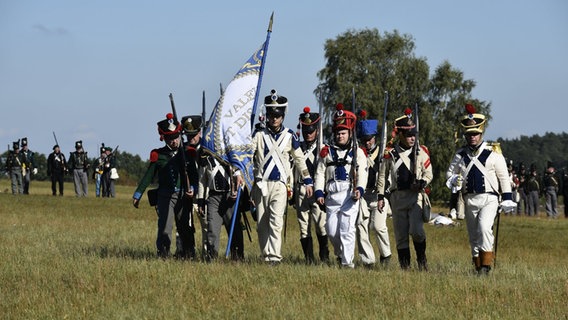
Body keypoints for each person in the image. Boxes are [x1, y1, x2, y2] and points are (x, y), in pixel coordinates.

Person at [446, 103, 515, 275]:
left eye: (475, 134)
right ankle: (477, 267)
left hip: (490, 199)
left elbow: (503, 177)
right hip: (469, 199)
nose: (472, 137)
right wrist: (454, 178)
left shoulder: (494, 154)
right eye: (469, 134)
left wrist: (507, 197)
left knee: (484, 228)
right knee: (474, 236)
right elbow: (449, 173)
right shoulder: (460, 155)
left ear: (481, 132)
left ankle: (485, 267)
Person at [252, 89, 314, 265]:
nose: (274, 119)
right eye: (271, 115)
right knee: (262, 224)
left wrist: (307, 180)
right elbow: (248, 155)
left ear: (282, 116)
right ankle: (266, 256)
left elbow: (299, 159)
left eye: (277, 115)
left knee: (276, 221)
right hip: (261, 185)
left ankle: (275, 257)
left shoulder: (289, 136)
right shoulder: (258, 135)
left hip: (280, 185)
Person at [132, 113, 196, 259]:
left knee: (184, 227)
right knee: (165, 228)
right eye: (170, 138)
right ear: (164, 138)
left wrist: (193, 188)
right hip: (165, 196)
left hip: (183, 196)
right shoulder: (158, 155)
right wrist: (138, 194)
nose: (174, 141)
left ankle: (187, 253)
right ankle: (163, 254)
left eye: (176, 137)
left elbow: (193, 175)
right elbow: (149, 176)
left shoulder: (187, 153)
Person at [377, 107, 433, 271]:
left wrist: (422, 183)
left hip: (415, 197)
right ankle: (405, 269)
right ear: (400, 134)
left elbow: (429, 173)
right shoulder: (390, 154)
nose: (412, 138)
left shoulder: (421, 152)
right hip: (397, 198)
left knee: (416, 231)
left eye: (413, 135)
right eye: (408, 135)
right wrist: (381, 196)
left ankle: (422, 262)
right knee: (401, 236)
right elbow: (382, 176)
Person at [315, 103, 367, 268]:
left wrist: (359, 189)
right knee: (331, 231)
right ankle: (340, 254)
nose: (340, 136)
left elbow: (363, 173)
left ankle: (347, 263)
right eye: (338, 133)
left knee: (347, 230)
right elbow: (320, 173)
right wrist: (318, 192)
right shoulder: (327, 151)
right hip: (331, 196)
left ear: (350, 133)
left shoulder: (357, 152)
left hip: (349, 195)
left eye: (343, 133)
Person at [293, 106, 329, 264]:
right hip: (301, 189)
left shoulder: (323, 149)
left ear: (317, 130)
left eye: (311, 130)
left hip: (317, 190)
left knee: (321, 226)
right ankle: (309, 259)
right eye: (306, 131)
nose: (308, 134)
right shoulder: (298, 148)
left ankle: (324, 256)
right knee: (303, 228)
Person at [197, 145, 245, 262]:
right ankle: (211, 257)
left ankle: (237, 258)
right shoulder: (206, 159)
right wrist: (201, 201)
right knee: (212, 229)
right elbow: (202, 181)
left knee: (235, 230)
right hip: (213, 197)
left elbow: (242, 179)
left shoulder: (233, 159)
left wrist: (238, 192)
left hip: (230, 198)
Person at [356, 111, 392, 267]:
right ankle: (368, 260)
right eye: (364, 140)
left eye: (369, 139)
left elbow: (388, 175)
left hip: (378, 195)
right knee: (361, 226)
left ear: (375, 138)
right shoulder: (358, 153)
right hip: (363, 196)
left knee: (378, 227)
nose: (367, 142)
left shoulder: (382, 153)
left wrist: (383, 194)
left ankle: (386, 256)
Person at [177, 114, 205, 259]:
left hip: (203, 193)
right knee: (184, 225)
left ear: (199, 132)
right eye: (188, 135)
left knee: (206, 226)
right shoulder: (182, 150)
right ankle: (186, 252)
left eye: (193, 135)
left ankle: (208, 254)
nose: (191, 138)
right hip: (186, 193)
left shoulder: (206, 148)